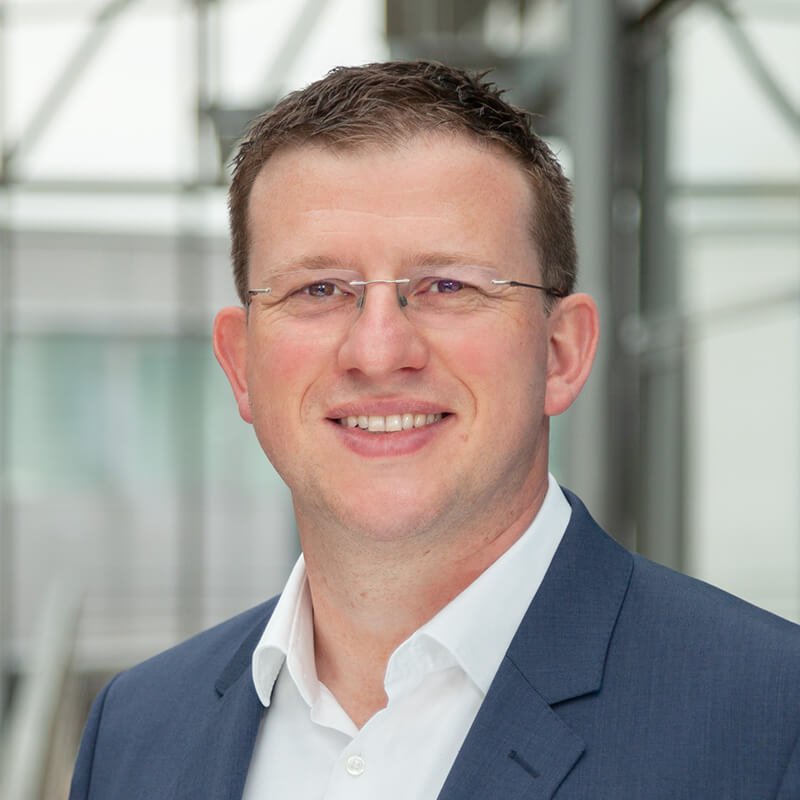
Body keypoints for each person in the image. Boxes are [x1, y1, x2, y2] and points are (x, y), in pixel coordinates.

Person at [69, 61, 800, 799]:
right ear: (240, 365)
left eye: (447, 286)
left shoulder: (771, 721)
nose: (378, 351)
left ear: (560, 353)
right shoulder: (136, 730)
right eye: (319, 289)